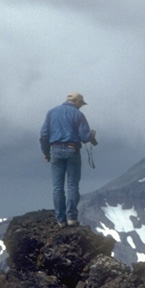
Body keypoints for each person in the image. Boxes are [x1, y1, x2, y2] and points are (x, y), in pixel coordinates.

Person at [39, 92, 97, 227]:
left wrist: (46, 153)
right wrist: (91, 135)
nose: (81, 106)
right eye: (81, 104)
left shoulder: (51, 112)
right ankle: (72, 217)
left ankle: (60, 219)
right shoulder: (78, 115)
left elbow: (43, 135)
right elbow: (84, 137)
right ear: (76, 101)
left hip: (56, 150)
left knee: (57, 187)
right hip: (72, 150)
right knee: (73, 185)